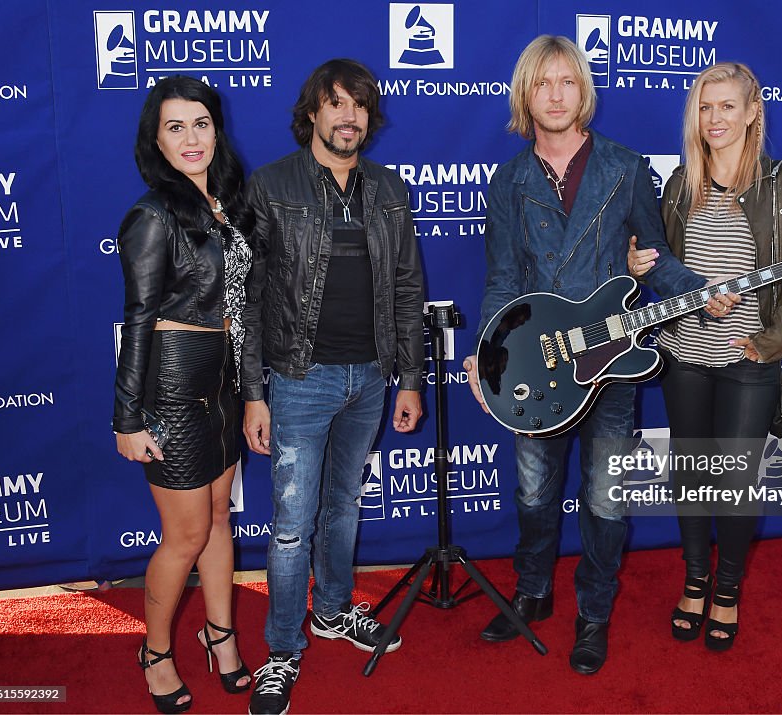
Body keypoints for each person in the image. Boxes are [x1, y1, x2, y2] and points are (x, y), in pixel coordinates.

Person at [462, 35, 731, 675]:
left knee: (608, 499)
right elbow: (502, 279)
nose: (555, 95)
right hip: (532, 364)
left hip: (611, 362)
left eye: (567, 82)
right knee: (532, 493)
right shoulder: (508, 181)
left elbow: (655, 258)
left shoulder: (625, 167)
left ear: (584, 91)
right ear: (525, 96)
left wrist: (701, 294)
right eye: (542, 84)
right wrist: (488, 353)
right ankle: (532, 594)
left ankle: (594, 612)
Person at [241, 59, 424, 715]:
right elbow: (251, 297)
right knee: (292, 526)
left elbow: (407, 288)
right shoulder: (272, 186)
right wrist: (254, 391)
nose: (350, 116)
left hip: (370, 378)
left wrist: (408, 377)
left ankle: (333, 611)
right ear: (312, 112)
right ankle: (282, 651)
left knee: (342, 506)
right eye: (337, 103)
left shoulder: (388, 188)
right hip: (298, 378)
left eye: (360, 106)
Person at [628, 61, 782, 651]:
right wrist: (640, 266)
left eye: (727, 106)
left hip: (749, 360)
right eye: (705, 108)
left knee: (735, 483)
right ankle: (694, 582)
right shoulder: (681, 184)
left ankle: (727, 591)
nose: (715, 119)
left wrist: (772, 345)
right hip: (684, 352)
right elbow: (659, 264)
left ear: (753, 111)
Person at [112, 75, 254, 714]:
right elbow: (138, 317)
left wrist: (252, 392)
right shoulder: (151, 216)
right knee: (185, 534)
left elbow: (241, 308)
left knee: (222, 517)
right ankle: (156, 652)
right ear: (157, 140)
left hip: (220, 378)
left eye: (200, 123)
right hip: (170, 383)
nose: (191, 138)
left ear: (216, 130)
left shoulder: (226, 203)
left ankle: (219, 637)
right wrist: (127, 417)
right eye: (176, 127)